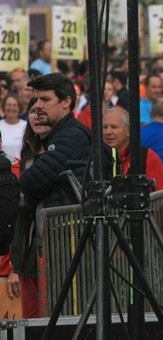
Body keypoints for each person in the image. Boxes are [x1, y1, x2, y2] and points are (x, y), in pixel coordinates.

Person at [13, 74, 92, 316]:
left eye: (45, 99)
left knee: (64, 311)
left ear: (66, 102)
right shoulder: (56, 136)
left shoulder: (71, 135)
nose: (37, 106)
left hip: (68, 241)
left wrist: (27, 187)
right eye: (35, 100)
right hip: (54, 241)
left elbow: (32, 180)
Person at [102, 107, 163, 191]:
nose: (108, 132)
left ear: (129, 131)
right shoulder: (94, 158)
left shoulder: (147, 157)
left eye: (114, 127)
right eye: (104, 127)